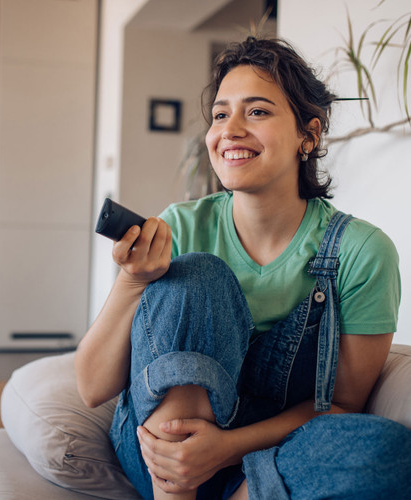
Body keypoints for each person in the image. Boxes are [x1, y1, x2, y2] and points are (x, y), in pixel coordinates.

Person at [75, 36, 411, 499]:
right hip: (160, 461)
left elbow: (341, 407)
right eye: (219, 114)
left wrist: (226, 448)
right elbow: (92, 388)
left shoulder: (362, 251)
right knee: (199, 275)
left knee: (391, 452)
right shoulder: (181, 226)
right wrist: (133, 281)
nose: (229, 129)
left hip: (270, 454)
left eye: (256, 111)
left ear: (308, 136)